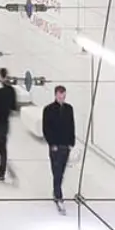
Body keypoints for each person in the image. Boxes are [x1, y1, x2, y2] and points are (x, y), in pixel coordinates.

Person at [40, 85, 77, 213]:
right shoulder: (48, 110)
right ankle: (58, 196)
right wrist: (51, 143)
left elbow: (72, 125)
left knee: (61, 171)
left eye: (64, 95)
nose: (62, 98)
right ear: (55, 95)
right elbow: (46, 129)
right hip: (55, 146)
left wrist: (71, 142)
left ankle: (56, 190)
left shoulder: (69, 109)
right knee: (56, 171)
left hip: (65, 145)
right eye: (60, 95)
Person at [0, 71, 21, 182]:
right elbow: (14, 108)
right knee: (1, 148)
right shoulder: (12, 91)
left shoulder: (0, 92)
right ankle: (2, 170)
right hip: (5, 122)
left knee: (1, 149)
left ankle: (1, 173)